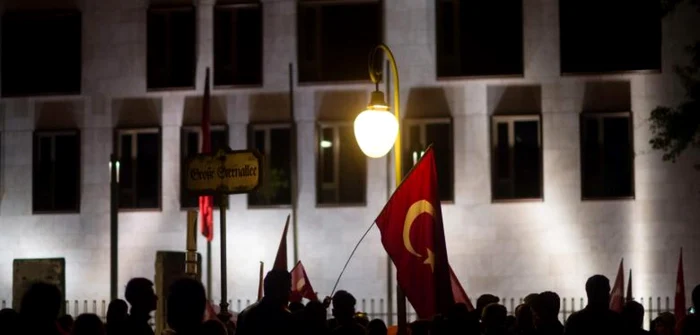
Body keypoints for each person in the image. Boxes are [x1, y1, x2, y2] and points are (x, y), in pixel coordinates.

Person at [236, 270, 293, 335]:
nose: (291, 292)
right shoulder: (285, 319)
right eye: (288, 288)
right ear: (279, 291)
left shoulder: (244, 313)